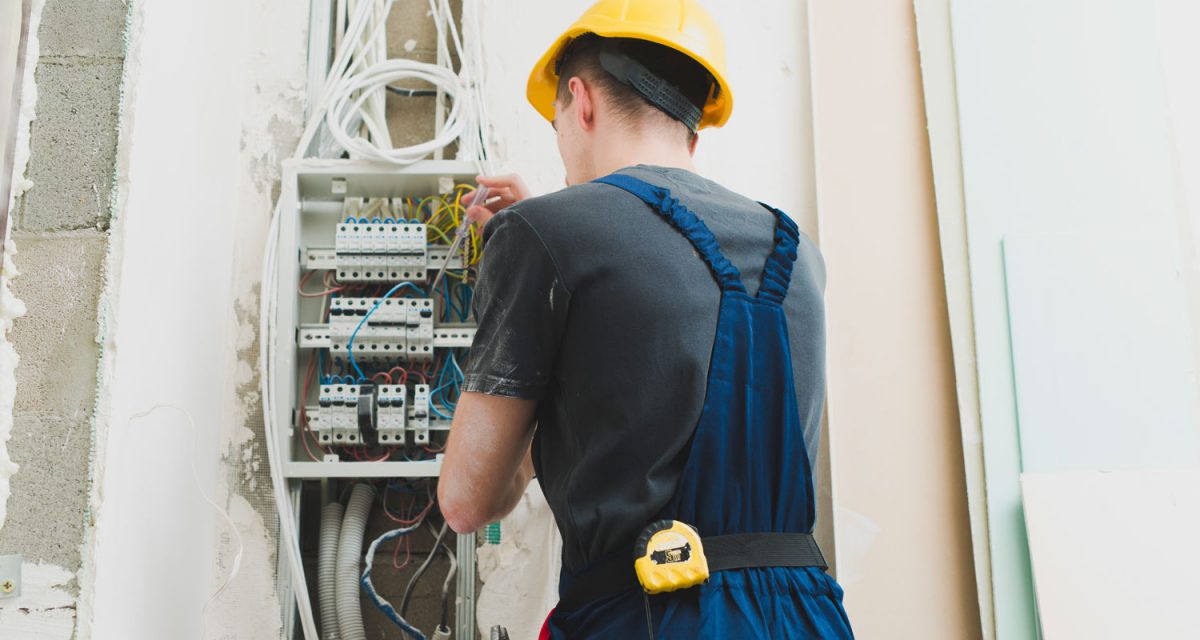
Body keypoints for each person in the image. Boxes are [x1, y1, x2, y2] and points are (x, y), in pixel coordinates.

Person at [438, 0, 854, 637]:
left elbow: (469, 502)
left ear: (581, 101)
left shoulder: (540, 234)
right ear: (694, 125)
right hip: (807, 619)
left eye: (558, 128)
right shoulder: (797, 253)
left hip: (650, 619)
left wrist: (535, 251)